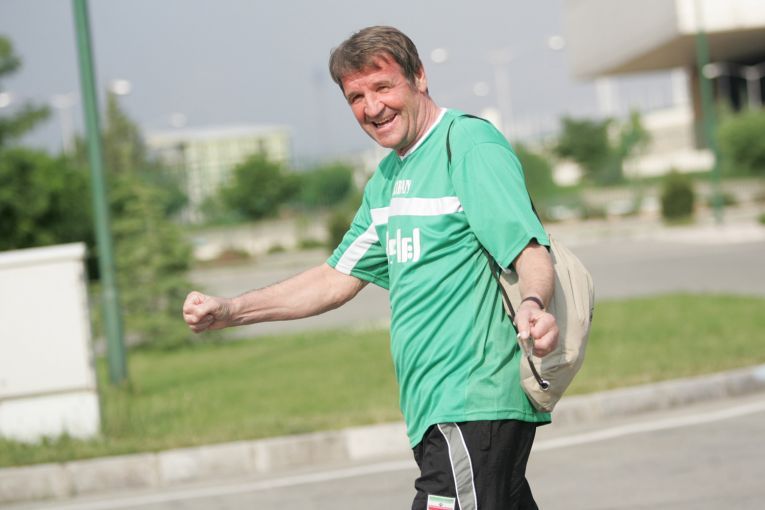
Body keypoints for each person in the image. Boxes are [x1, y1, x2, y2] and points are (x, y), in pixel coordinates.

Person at [182, 25, 559, 510]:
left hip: (473, 402)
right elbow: (335, 278)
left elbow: (528, 248)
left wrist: (533, 303)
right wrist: (232, 310)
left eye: (383, 87)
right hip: (433, 410)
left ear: (419, 77)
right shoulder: (387, 177)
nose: (372, 107)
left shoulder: (466, 143)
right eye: (356, 97)